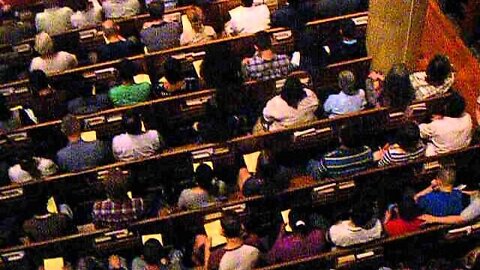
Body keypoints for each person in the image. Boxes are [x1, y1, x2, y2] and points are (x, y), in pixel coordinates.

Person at [307, 124, 373, 179]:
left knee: (311, 162)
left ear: (340, 139)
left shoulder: (329, 159)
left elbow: (317, 174)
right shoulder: (367, 152)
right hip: (357, 185)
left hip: (338, 184)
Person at [419, 91, 472, 156]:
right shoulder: (467, 118)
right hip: (461, 151)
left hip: (441, 154)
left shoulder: (437, 125)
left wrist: (434, 121)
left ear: (446, 107)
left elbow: (420, 131)